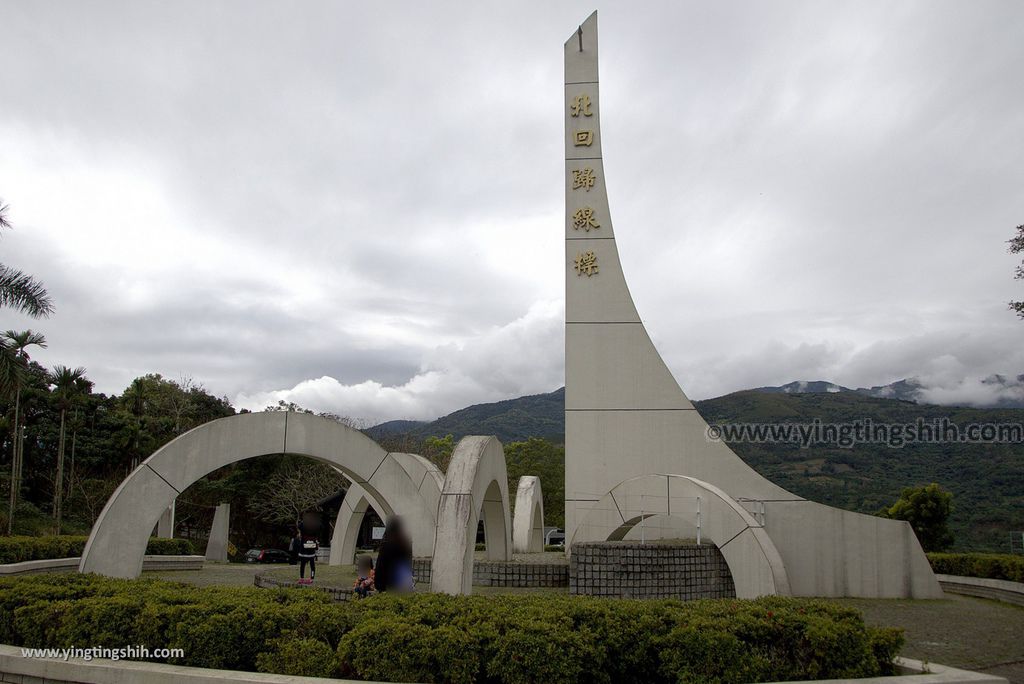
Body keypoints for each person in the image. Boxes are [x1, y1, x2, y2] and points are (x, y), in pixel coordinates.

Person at [374, 516, 414, 593]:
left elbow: (381, 565)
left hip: (388, 583)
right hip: (403, 581)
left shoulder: (386, 543)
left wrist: (379, 585)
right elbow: (408, 561)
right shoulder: (404, 543)